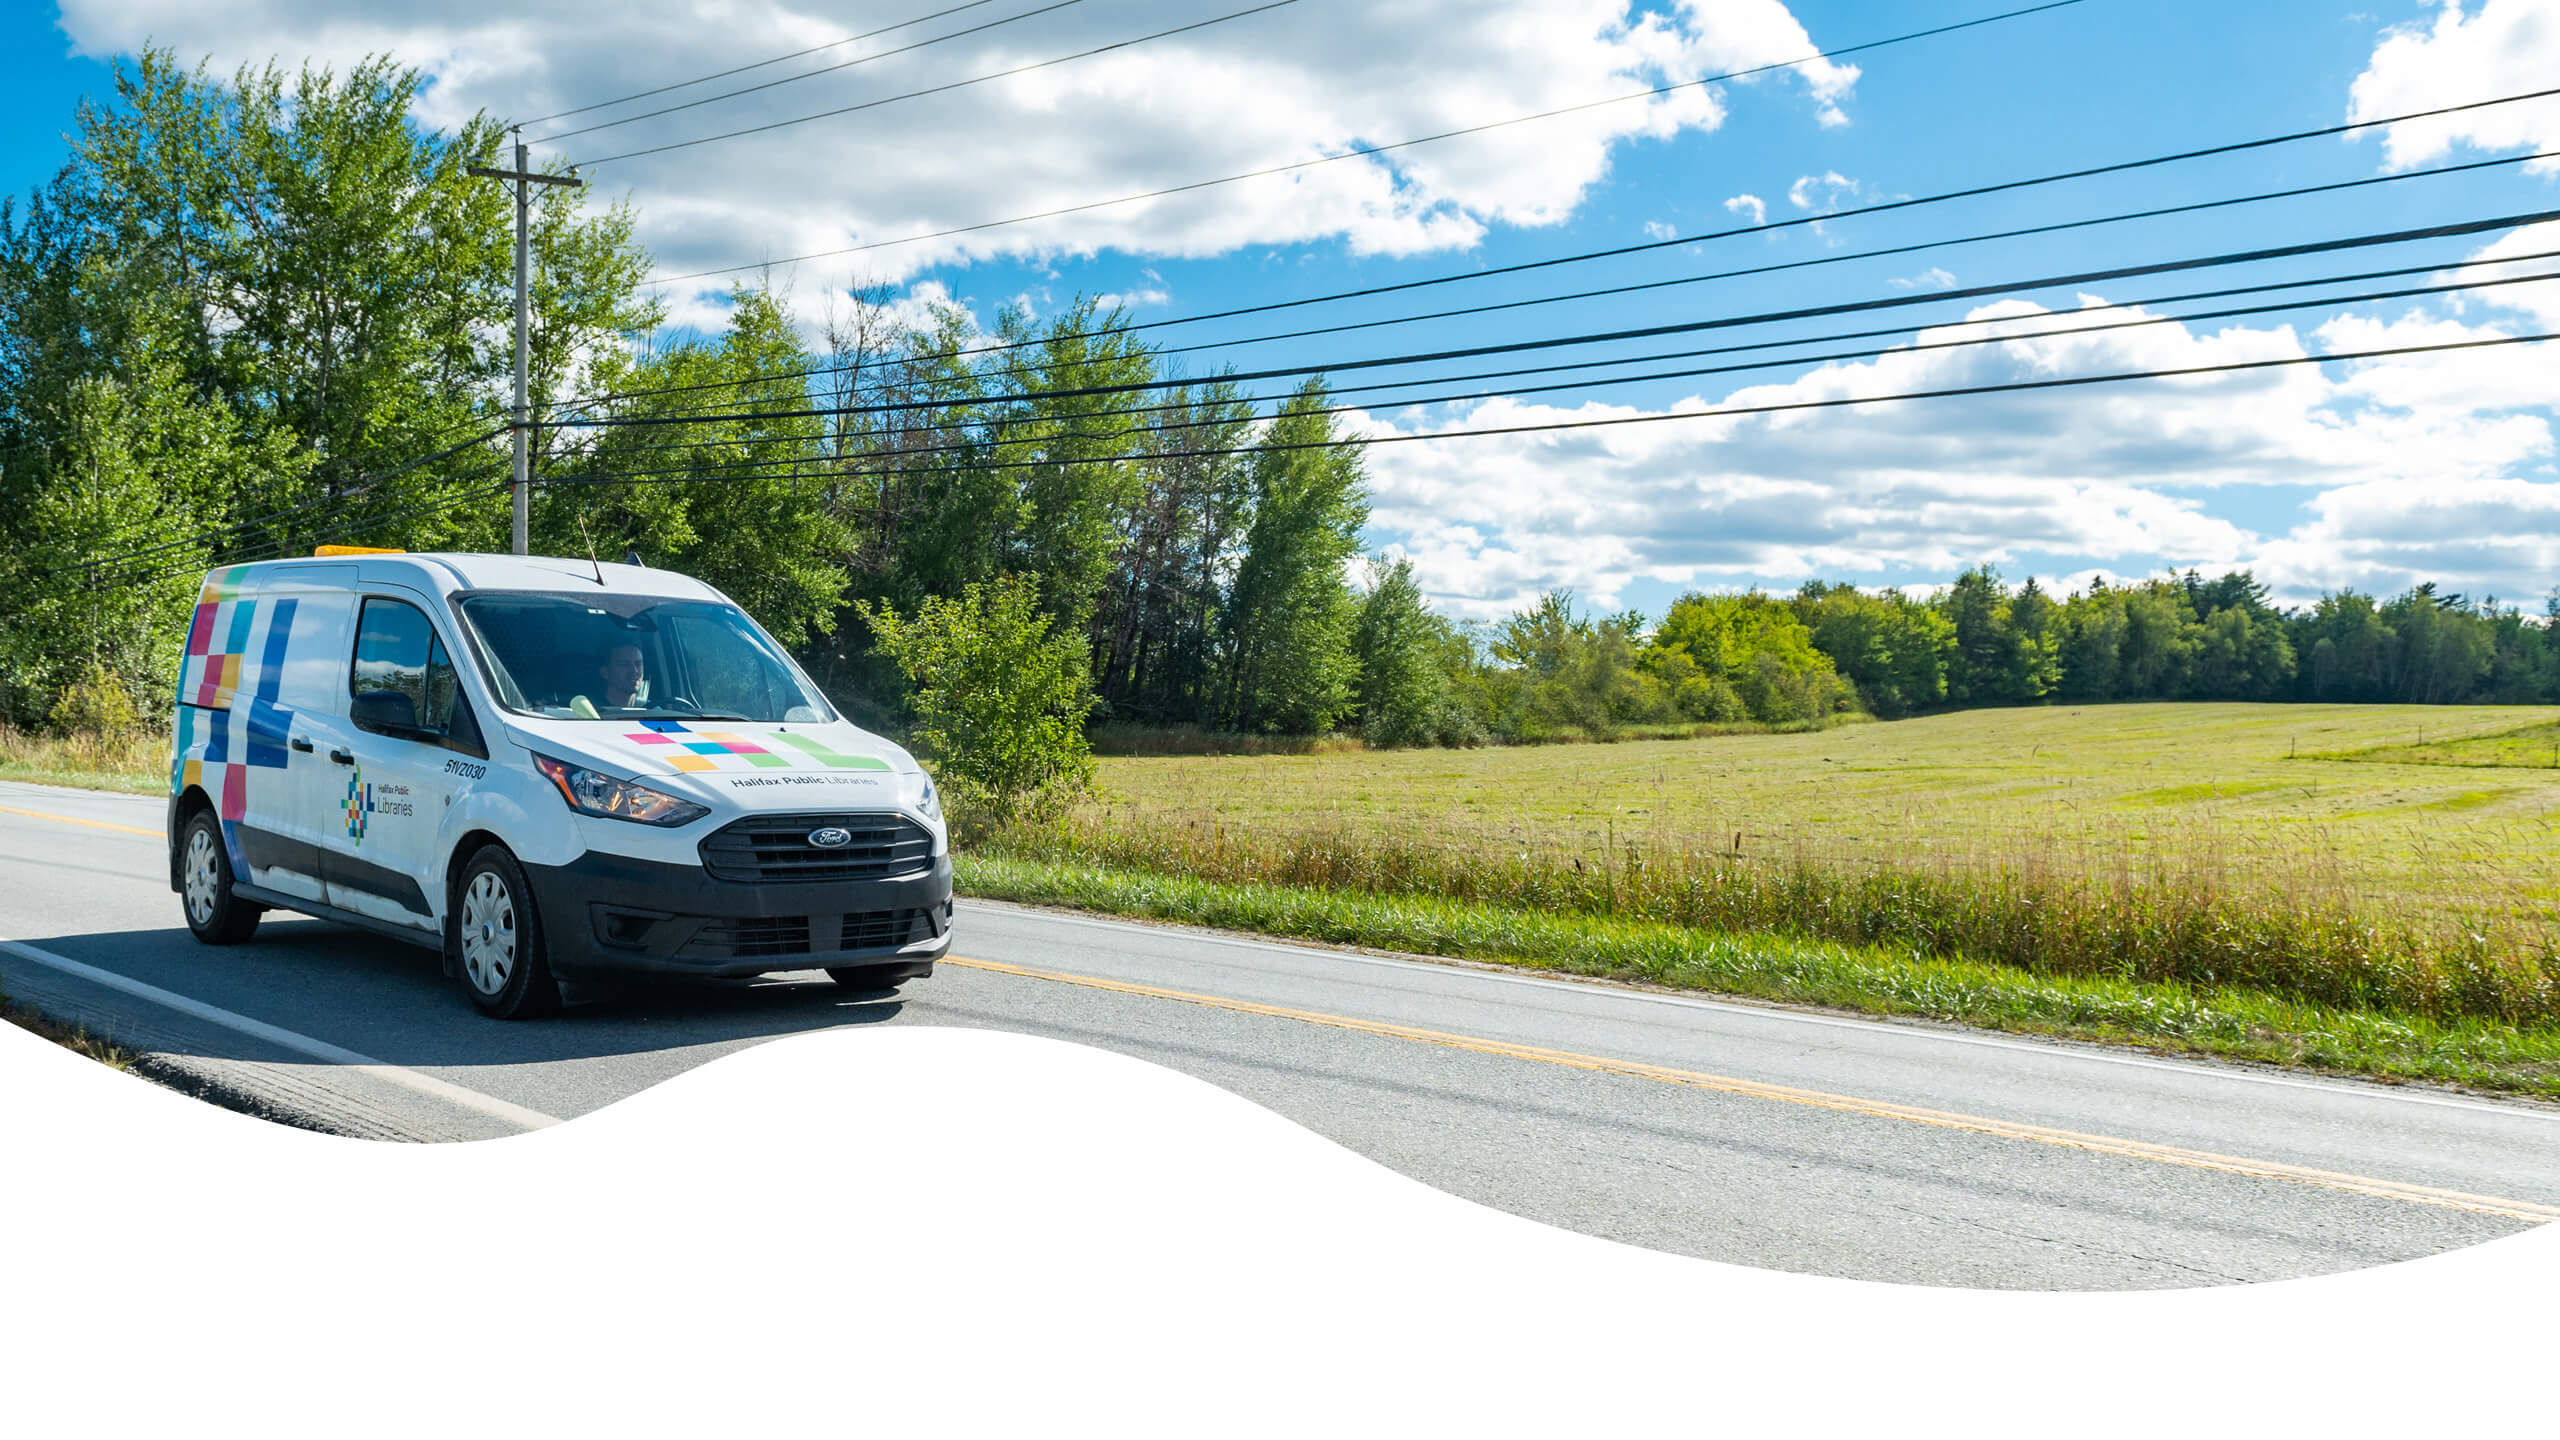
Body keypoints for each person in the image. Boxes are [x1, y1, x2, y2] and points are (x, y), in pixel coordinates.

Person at [598, 642, 646, 709]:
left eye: (638, 664)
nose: (635, 671)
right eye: (624, 664)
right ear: (605, 672)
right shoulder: (588, 712)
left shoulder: (654, 711)